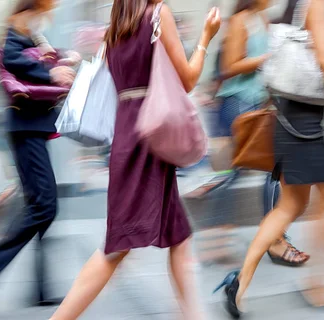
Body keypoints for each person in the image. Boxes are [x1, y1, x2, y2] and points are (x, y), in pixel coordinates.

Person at [49, 1, 221, 319]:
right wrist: (206, 37)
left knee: (178, 238)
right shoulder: (158, 15)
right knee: (115, 248)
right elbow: (188, 79)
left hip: (129, 138)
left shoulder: (117, 27)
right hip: (149, 140)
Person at [215, 0, 324, 316]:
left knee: (292, 206)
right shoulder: (315, 4)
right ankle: (319, 283)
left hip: (290, 117)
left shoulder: (296, 6)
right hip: (303, 124)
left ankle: (240, 282)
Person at [0, 0, 77, 309]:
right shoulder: (11, 37)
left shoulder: (32, 38)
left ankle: (38, 289)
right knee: (44, 207)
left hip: (33, 128)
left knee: (39, 208)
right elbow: (11, 60)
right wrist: (54, 73)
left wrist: (64, 59)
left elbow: (41, 61)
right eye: (40, 14)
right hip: (25, 129)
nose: (43, 20)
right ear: (25, 12)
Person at [206, 0, 310, 267]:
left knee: (270, 171)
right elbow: (230, 66)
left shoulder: (262, 21)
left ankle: (265, 237)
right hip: (239, 103)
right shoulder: (242, 20)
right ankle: (224, 235)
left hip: (259, 103)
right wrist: (268, 58)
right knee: (241, 171)